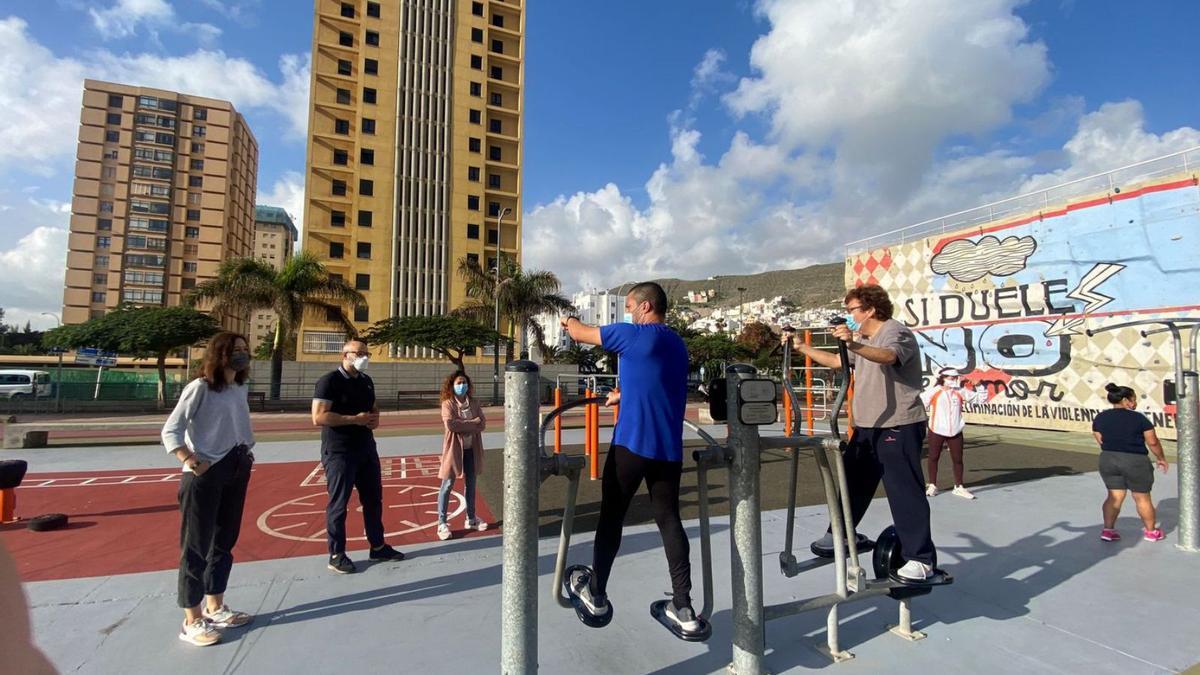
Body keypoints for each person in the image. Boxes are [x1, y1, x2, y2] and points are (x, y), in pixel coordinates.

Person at [559, 282, 700, 636]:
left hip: (632, 446)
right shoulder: (676, 343)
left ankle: (596, 594)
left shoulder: (632, 334)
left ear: (647, 307)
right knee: (669, 520)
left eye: (631, 306)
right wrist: (624, 393)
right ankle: (683, 606)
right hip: (667, 450)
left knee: (612, 517)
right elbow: (657, 382)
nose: (628, 313)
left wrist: (568, 319)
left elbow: (579, 333)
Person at [784, 284, 936, 582]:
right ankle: (838, 534)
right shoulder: (864, 339)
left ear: (870, 309)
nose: (849, 316)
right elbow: (839, 361)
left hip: (898, 423)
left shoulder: (894, 332)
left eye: (852, 310)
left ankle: (920, 558)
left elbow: (889, 356)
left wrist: (853, 342)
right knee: (852, 484)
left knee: (904, 491)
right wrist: (802, 347)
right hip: (867, 426)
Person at [161, 331, 256, 646]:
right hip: (204, 472)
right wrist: (189, 458)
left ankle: (215, 606)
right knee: (195, 546)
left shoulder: (239, 388)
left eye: (245, 349)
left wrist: (246, 454)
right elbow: (171, 429)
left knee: (224, 541)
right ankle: (192, 618)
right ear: (221, 354)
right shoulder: (200, 388)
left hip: (237, 465)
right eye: (236, 349)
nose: (242, 354)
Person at [312, 339, 406, 573]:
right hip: (339, 451)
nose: (364, 357)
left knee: (373, 499)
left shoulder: (366, 381)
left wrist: (374, 418)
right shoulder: (329, 381)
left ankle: (378, 545)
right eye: (359, 353)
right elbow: (319, 417)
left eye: (366, 353)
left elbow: (373, 407)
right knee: (339, 503)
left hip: (365, 448)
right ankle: (336, 553)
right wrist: (354, 419)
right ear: (345, 355)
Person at [1091, 383, 1169, 542]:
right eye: (1134, 399)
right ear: (1126, 400)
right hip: (1135, 460)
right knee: (1142, 497)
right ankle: (1151, 532)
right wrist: (1161, 458)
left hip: (1108, 459)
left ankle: (1108, 530)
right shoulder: (1139, 418)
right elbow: (1152, 442)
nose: (1135, 402)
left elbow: (1099, 439)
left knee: (1114, 496)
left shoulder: (1100, 417)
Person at [921, 367, 987, 499]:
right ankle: (933, 485)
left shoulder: (960, 392)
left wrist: (979, 385)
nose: (954, 380)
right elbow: (920, 405)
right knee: (933, 457)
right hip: (937, 430)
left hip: (956, 431)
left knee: (958, 459)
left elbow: (981, 399)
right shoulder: (933, 392)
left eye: (955, 378)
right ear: (943, 378)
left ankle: (959, 487)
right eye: (951, 378)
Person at [436, 371, 488, 541]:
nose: (462, 385)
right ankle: (442, 522)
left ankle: (471, 518)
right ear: (452, 385)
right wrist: (472, 423)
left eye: (464, 382)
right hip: (454, 449)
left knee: (471, 483)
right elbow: (451, 425)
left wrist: (467, 425)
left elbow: (482, 423)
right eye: (459, 382)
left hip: (471, 448)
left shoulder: (473, 403)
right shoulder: (448, 403)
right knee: (448, 483)